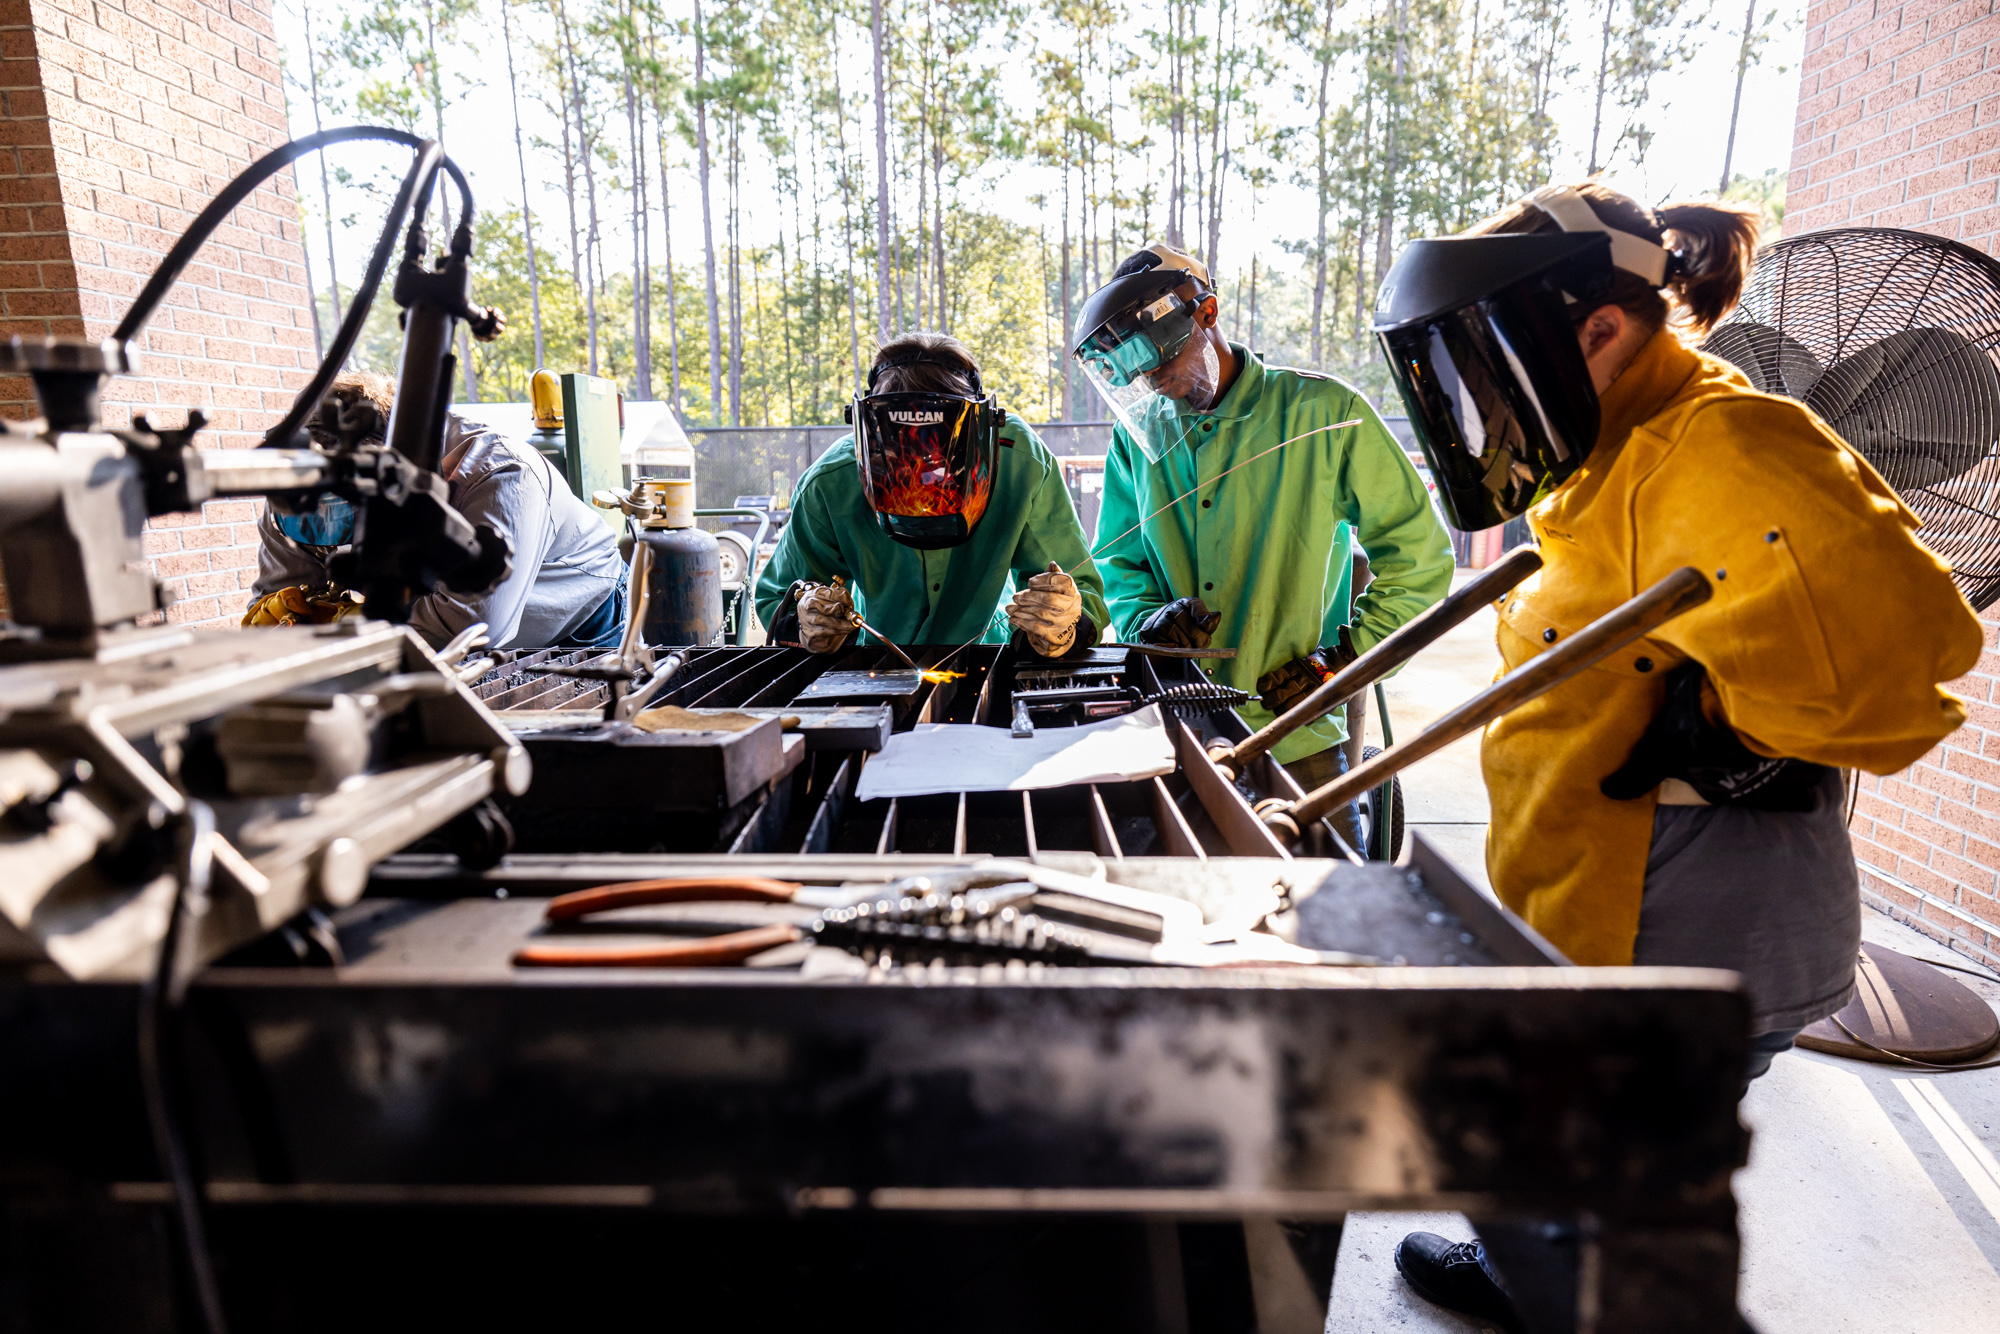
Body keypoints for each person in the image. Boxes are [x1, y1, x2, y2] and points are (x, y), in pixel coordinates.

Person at [1371, 182, 1983, 1330]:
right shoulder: (1610, 455)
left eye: (1489, 363)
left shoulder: (1727, 443)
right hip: (1600, 909)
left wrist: (1744, 732)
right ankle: (1530, 1268)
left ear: (1597, 328)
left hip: (1688, 934)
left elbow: (1915, 654)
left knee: (1639, 1237)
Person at [1074, 242, 1453, 842]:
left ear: (1208, 316)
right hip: (1180, 722)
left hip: (1297, 725)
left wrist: (1345, 661)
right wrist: (1145, 620)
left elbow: (1421, 561)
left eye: (1165, 367)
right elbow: (1118, 559)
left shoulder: (1323, 412)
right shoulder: (1138, 439)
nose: (1159, 387)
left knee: (1325, 906)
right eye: (1143, 375)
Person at [754, 332, 1109, 659]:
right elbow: (779, 598)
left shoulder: (1018, 461)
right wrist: (807, 621)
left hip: (989, 653)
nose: (923, 481)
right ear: (872, 440)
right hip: (875, 660)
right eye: (902, 462)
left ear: (980, 436)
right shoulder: (832, 482)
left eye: (940, 462)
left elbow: (1079, 591)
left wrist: (1061, 623)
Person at [245, 371, 627, 651]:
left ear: (388, 471)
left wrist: (344, 627)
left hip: (580, 620)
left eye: (340, 504)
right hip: (449, 628)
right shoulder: (293, 489)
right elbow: (279, 596)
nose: (320, 523)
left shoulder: (499, 473)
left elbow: (473, 626)